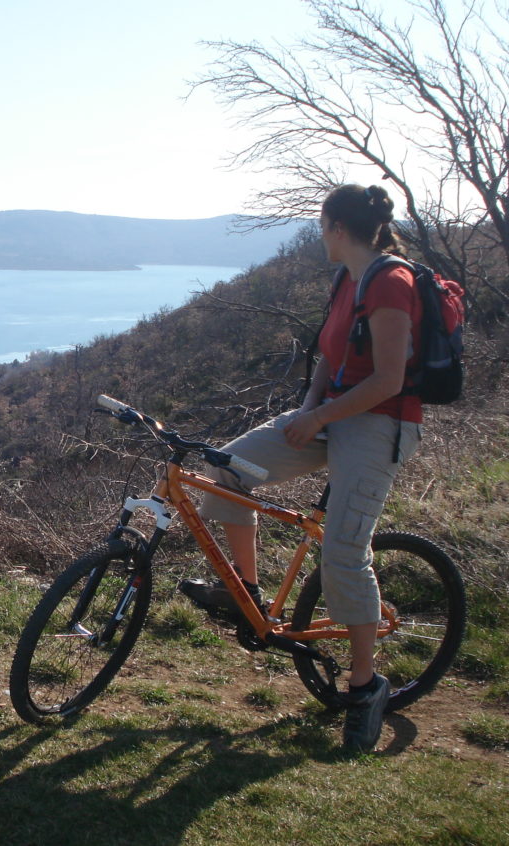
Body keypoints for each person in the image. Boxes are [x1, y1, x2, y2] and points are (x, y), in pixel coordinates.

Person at [180, 183, 423, 753]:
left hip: (379, 423)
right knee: (232, 467)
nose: (319, 236)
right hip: (332, 412)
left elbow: (388, 380)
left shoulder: (392, 281)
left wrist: (320, 420)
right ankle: (246, 590)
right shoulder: (347, 280)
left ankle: (365, 687)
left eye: (321, 226)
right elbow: (330, 360)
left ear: (337, 228)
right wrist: (309, 410)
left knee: (341, 552)